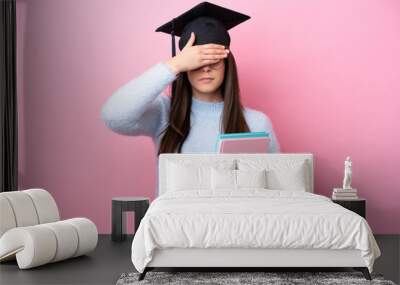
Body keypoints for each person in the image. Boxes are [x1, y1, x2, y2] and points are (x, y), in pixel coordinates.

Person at [101, 2, 280, 155]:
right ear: (186, 66)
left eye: (213, 59)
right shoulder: (164, 113)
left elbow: (275, 185)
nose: (206, 67)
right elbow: (114, 116)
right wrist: (173, 65)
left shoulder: (256, 123)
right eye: (197, 60)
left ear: (227, 65)